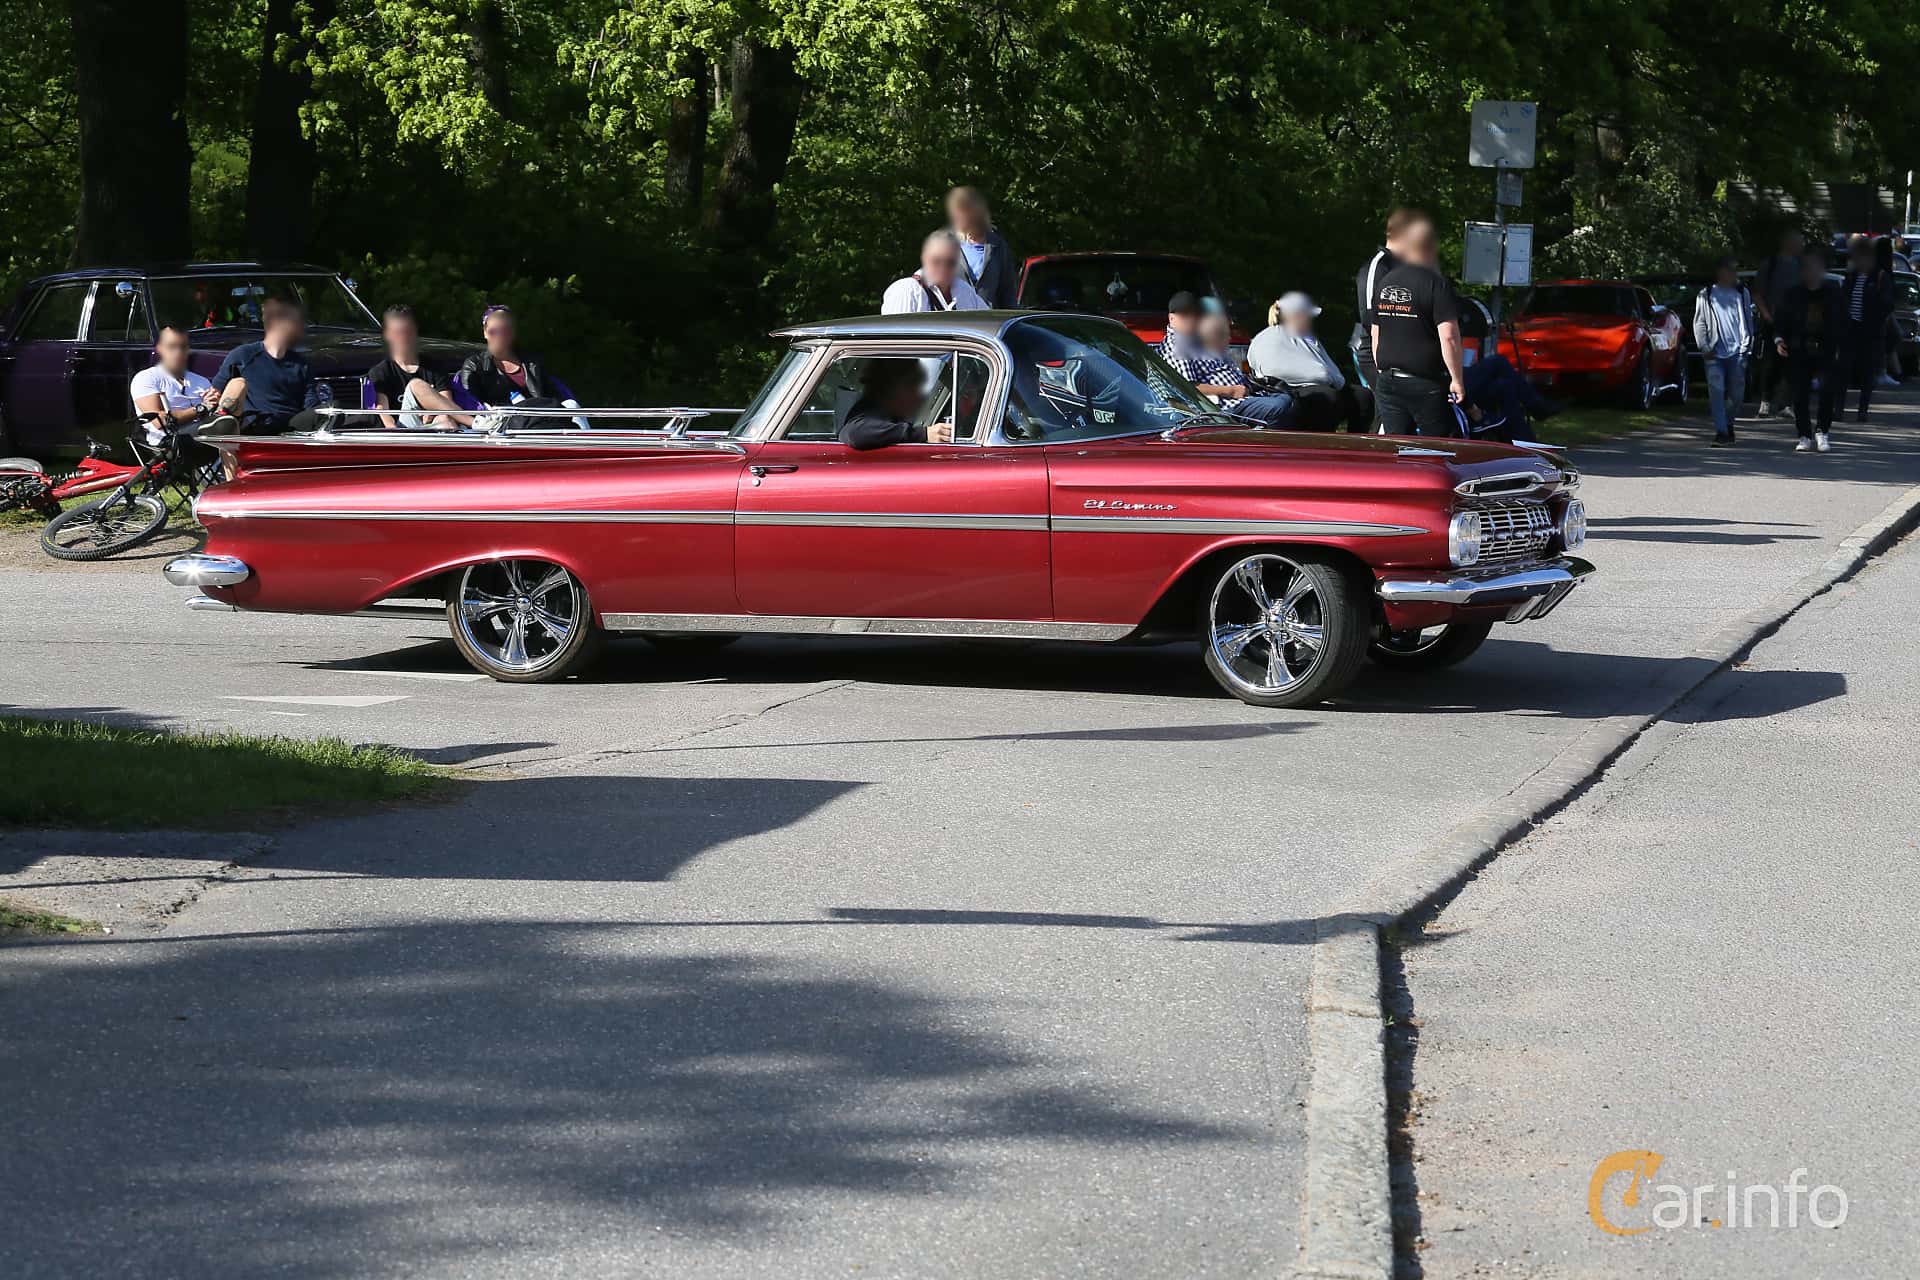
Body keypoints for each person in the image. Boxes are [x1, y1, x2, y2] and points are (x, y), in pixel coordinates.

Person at [1369, 216, 1466, 436]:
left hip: (1388, 380)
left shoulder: (1385, 282)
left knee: (1397, 445)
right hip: (1425, 382)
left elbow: (1376, 332)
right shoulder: (1436, 284)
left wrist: (1382, 369)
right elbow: (1449, 336)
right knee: (1438, 447)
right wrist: (1457, 380)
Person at [1158, 292, 1295, 427]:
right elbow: (1186, 387)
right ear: (1172, 318)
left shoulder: (1200, 340)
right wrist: (1230, 391)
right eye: (1185, 315)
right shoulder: (1176, 346)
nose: (1192, 318)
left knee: (1291, 398)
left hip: (1246, 395)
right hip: (1225, 407)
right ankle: (1266, 440)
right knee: (1278, 406)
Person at [1249, 292, 1374, 432]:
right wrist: (1328, 380)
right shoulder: (1266, 338)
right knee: (1327, 396)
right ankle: (1321, 442)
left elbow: (1331, 370)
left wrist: (1333, 381)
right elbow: (1274, 371)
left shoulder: (1307, 337)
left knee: (1363, 396)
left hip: (1316, 387)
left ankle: (1354, 442)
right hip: (1285, 391)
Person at [210, 297, 328, 434]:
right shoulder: (244, 355)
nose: (301, 329)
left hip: (292, 427)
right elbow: (217, 393)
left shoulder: (301, 364)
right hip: (257, 425)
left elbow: (311, 403)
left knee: (333, 409)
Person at [1772, 246, 1841, 452]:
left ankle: (1822, 432)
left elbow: (1843, 321)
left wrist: (1841, 345)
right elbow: (1780, 319)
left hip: (1825, 348)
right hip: (1799, 348)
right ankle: (1804, 435)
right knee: (1800, 394)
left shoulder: (1833, 292)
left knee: (1827, 391)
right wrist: (1779, 340)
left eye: (1816, 267)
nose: (1812, 271)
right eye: (1808, 267)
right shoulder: (1793, 294)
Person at [1351, 208, 1423, 405]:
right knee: (1391, 409)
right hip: (1376, 353)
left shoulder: (1408, 268)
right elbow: (1369, 318)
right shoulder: (1377, 266)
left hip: (1404, 354)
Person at [368, 305, 469, 429]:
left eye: (408, 331)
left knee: (445, 419)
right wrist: (394, 432)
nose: (404, 338)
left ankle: (471, 430)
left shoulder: (434, 367)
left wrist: (432, 413)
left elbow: (447, 403)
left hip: (431, 425)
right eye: (398, 333)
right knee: (416, 385)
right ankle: (473, 421)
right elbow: (383, 411)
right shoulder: (381, 371)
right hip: (403, 429)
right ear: (388, 335)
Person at [1692, 256, 1754, 446]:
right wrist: (1704, 347)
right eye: (1731, 270)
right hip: (1714, 354)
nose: (1734, 274)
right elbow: (1699, 323)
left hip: (1738, 352)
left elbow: (1748, 320)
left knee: (1737, 395)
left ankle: (1728, 423)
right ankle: (1721, 432)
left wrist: (1747, 346)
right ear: (1721, 272)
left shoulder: (1742, 292)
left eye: (1735, 270)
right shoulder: (1706, 294)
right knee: (1716, 392)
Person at [1835, 236, 1896, 422]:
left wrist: (1875, 320)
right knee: (1843, 371)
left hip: (1870, 332)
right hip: (1850, 329)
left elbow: (1888, 304)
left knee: (1867, 372)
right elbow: (1842, 300)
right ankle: (1838, 410)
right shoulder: (1851, 276)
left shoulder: (1880, 276)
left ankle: (1863, 410)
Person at [838, 358, 954, 450]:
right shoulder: (870, 413)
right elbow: (854, 433)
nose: (917, 395)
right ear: (889, 388)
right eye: (911, 385)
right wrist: (924, 434)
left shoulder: (890, 416)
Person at [129, 324, 219, 441]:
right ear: (160, 348)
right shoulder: (146, 378)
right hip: (171, 439)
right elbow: (160, 421)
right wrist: (201, 408)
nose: (178, 352)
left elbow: (212, 408)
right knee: (223, 428)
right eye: (171, 346)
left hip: (206, 434)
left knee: (237, 385)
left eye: (183, 347)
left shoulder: (201, 381)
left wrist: (216, 402)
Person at [1752, 229, 1803, 415]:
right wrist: (1767, 316)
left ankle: (1786, 404)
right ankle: (1765, 401)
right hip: (1772, 321)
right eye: (1797, 242)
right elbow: (1757, 293)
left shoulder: (1800, 266)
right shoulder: (1770, 264)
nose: (1800, 246)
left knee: (1792, 364)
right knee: (1770, 363)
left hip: (1794, 323)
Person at [945, 186, 1017, 308]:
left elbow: (1008, 290)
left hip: (989, 317)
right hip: (957, 317)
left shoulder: (998, 246)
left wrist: (1010, 315)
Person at [882, 231, 988, 314]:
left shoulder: (964, 290)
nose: (943, 267)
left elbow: (988, 321)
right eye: (936, 261)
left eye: (950, 262)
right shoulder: (907, 290)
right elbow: (896, 334)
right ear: (925, 258)